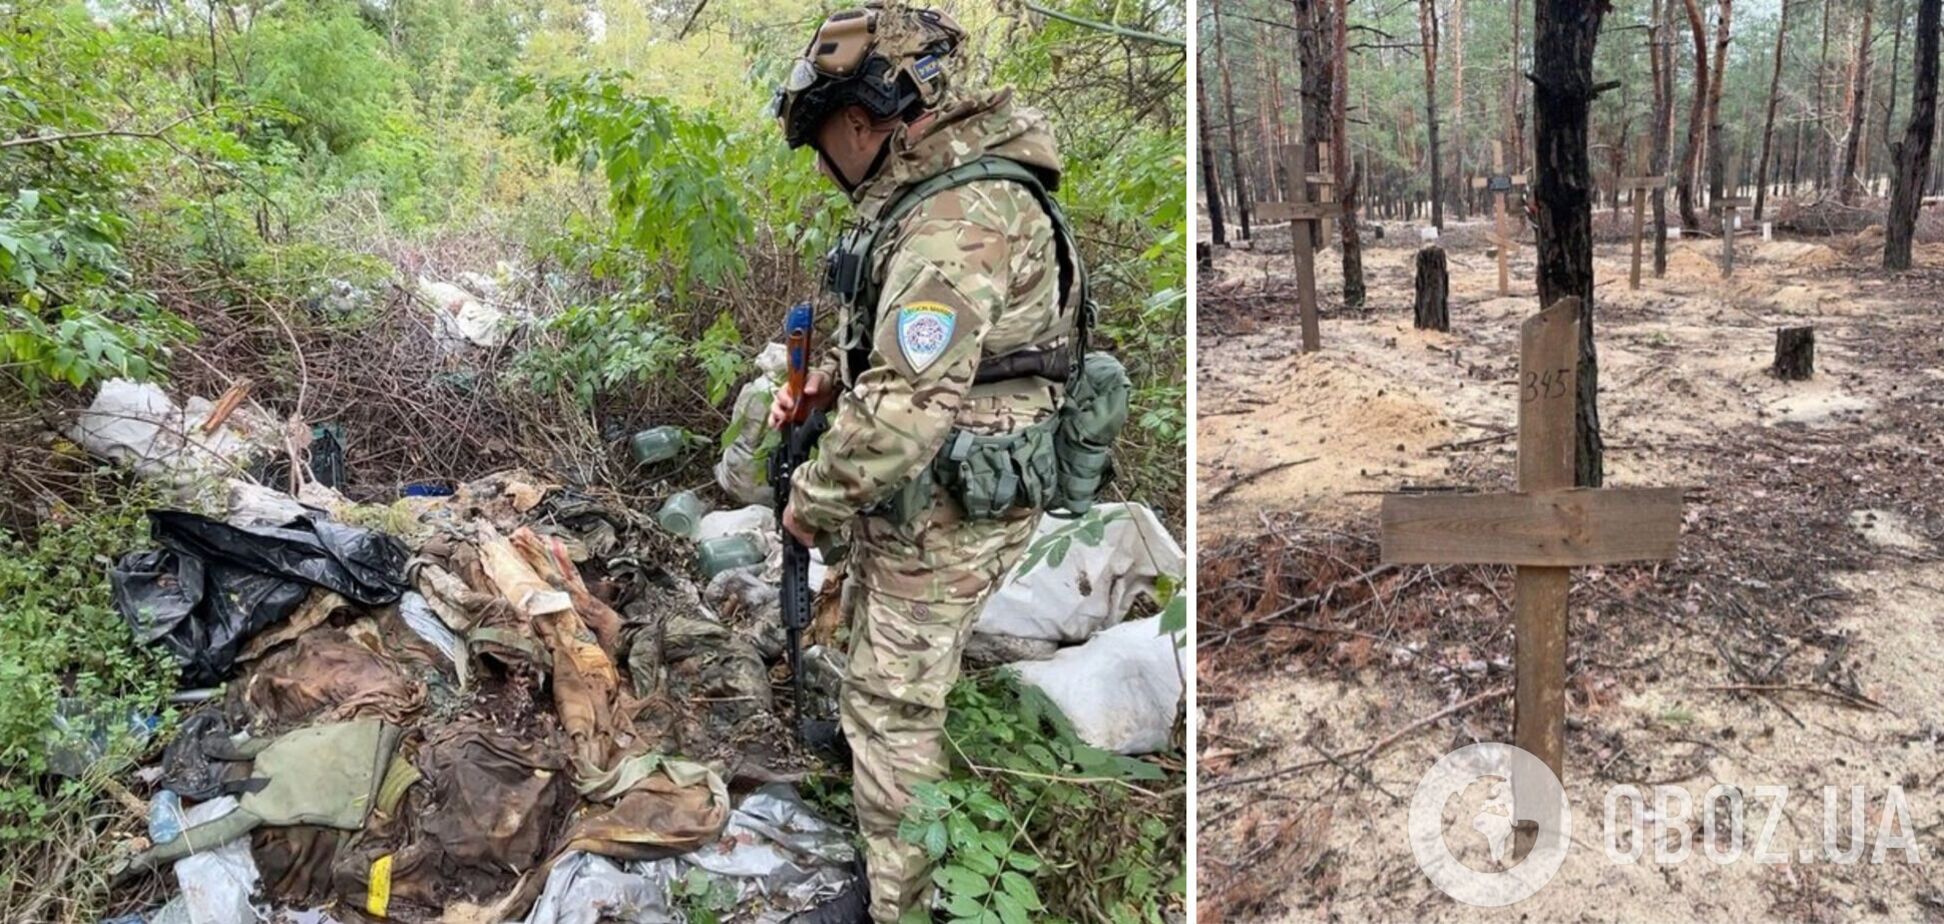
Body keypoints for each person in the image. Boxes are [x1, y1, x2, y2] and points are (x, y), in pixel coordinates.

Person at [766, 4, 1084, 920]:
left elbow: (906, 410)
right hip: (937, 485)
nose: (825, 162)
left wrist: (809, 504)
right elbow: (923, 353)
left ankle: (898, 900)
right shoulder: (941, 196)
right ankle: (874, 776)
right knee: (875, 656)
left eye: (824, 135)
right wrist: (828, 384)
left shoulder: (958, 214)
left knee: (895, 708)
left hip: (951, 494)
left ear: (864, 120)